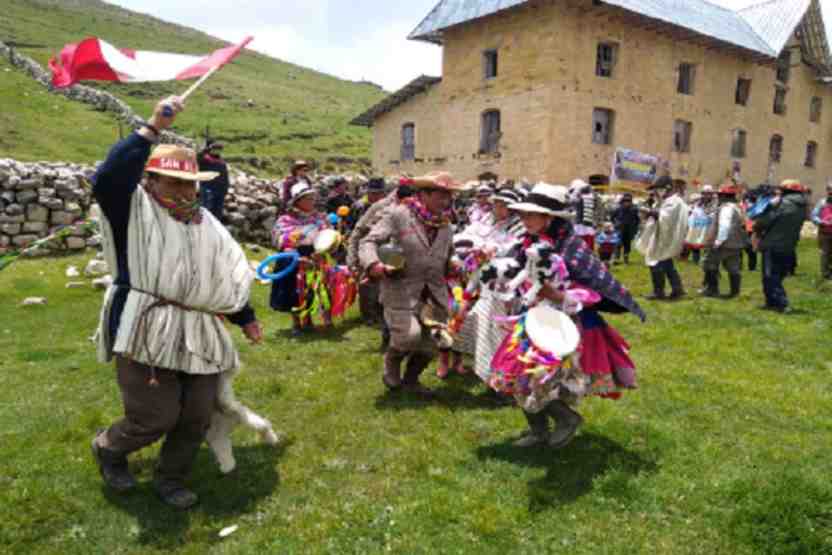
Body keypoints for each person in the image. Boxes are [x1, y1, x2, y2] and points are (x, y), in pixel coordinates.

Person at [89, 97, 263, 510]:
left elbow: (220, 274)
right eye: (173, 181)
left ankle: (171, 478)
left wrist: (245, 317)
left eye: (189, 183)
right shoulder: (130, 209)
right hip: (144, 325)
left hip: (199, 330)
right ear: (149, 180)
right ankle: (110, 448)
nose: (185, 190)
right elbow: (109, 179)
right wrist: (152, 127)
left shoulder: (209, 225)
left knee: (195, 415)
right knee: (155, 415)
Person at [485, 183, 645, 448]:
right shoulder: (525, 243)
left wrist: (555, 294)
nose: (524, 220)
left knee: (540, 378)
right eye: (523, 214)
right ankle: (538, 431)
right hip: (529, 320)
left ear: (549, 218)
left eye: (531, 215)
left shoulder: (573, 248)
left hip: (562, 325)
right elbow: (511, 271)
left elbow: (591, 292)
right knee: (516, 375)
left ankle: (566, 419)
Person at [360, 172, 462, 394]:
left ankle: (411, 380)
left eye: (449, 197)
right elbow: (369, 241)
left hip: (434, 293)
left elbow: (448, 252)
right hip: (401, 289)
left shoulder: (446, 225)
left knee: (435, 343)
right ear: (423, 194)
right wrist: (373, 264)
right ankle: (392, 359)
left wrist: (453, 262)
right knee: (409, 336)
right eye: (440, 196)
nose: (446, 201)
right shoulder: (398, 215)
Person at [271, 182, 332, 334]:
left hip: (316, 254)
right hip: (294, 256)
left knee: (316, 288)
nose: (312, 201)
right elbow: (281, 239)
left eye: (313, 198)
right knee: (295, 289)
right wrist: (296, 259)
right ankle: (296, 323)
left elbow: (328, 235)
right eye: (308, 198)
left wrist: (324, 250)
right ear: (297, 201)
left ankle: (312, 320)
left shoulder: (320, 218)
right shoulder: (285, 220)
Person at [754, 179, 808, 313]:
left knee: (770, 275)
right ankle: (771, 302)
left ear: (784, 191)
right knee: (778, 274)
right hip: (789, 246)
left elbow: (764, 221)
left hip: (773, 245)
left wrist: (757, 226)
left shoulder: (781, 204)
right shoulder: (802, 207)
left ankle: (781, 303)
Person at [637, 176, 688, 300]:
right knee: (666, 263)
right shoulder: (664, 200)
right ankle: (677, 289)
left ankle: (659, 291)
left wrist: (649, 212)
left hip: (666, 237)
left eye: (658, 189)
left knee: (655, 263)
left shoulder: (674, 201)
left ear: (667, 188)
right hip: (660, 235)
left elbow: (667, 217)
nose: (655, 192)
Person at [701, 184, 747, 298]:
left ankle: (712, 290)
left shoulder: (726, 208)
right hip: (736, 243)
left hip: (724, 243)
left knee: (709, 263)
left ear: (724, 196)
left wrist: (718, 241)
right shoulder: (737, 207)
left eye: (720, 195)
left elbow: (724, 226)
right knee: (733, 267)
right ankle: (735, 292)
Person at [197, 139, 230, 221]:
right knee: (206, 213)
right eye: (215, 148)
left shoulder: (222, 162)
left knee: (217, 214)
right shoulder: (204, 159)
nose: (217, 151)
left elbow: (225, 176)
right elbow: (197, 157)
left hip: (220, 192)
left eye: (219, 149)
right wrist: (204, 150)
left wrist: (226, 189)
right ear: (210, 149)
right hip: (208, 190)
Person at [685, 185, 717, 266]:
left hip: (709, 228)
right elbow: (690, 211)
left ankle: (707, 262)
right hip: (697, 227)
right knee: (695, 244)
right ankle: (696, 261)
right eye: (704, 194)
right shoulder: (697, 203)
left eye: (708, 194)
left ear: (711, 194)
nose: (706, 196)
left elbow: (714, 213)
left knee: (708, 246)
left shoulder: (715, 204)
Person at [811, 183, 832, 280]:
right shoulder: (822, 202)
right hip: (825, 232)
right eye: (829, 189)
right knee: (825, 253)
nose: (830, 192)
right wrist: (821, 222)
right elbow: (814, 215)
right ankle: (825, 274)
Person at [573, 180, 602, 250]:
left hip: (580, 224)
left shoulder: (579, 199)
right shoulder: (593, 199)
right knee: (588, 243)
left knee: (580, 242)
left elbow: (575, 206)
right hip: (588, 223)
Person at [612, 193, 640, 264]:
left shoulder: (634, 210)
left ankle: (626, 259)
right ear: (622, 201)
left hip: (629, 230)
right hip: (620, 229)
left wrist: (635, 228)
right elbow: (612, 217)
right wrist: (616, 224)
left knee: (627, 245)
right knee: (618, 244)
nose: (627, 203)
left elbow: (637, 219)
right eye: (625, 201)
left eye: (628, 201)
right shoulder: (618, 209)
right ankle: (616, 259)